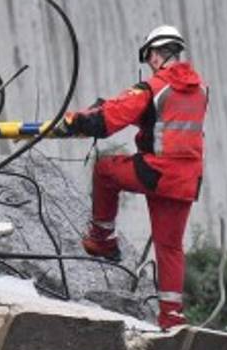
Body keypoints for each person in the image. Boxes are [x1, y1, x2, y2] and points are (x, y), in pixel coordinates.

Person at [60, 25, 208, 330]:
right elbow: (160, 121)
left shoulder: (152, 87)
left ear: (154, 55)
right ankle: (172, 317)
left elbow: (109, 120)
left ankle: (102, 238)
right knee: (170, 246)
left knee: (104, 170)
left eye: (149, 56)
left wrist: (79, 120)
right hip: (187, 179)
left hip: (158, 170)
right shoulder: (201, 90)